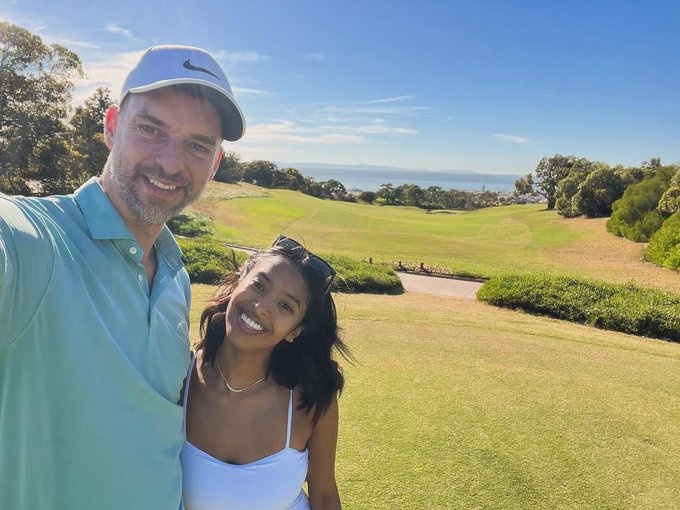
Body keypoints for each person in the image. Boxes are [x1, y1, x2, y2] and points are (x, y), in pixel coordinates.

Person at [0, 45, 245, 509]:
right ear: (111, 127)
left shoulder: (175, 277)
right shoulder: (32, 241)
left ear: (214, 164)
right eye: (151, 129)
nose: (171, 164)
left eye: (198, 145)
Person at [181, 235, 351, 509]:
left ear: (296, 330)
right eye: (259, 285)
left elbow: (324, 496)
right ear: (239, 281)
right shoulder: (179, 377)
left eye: (286, 306)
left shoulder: (312, 397)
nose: (261, 308)